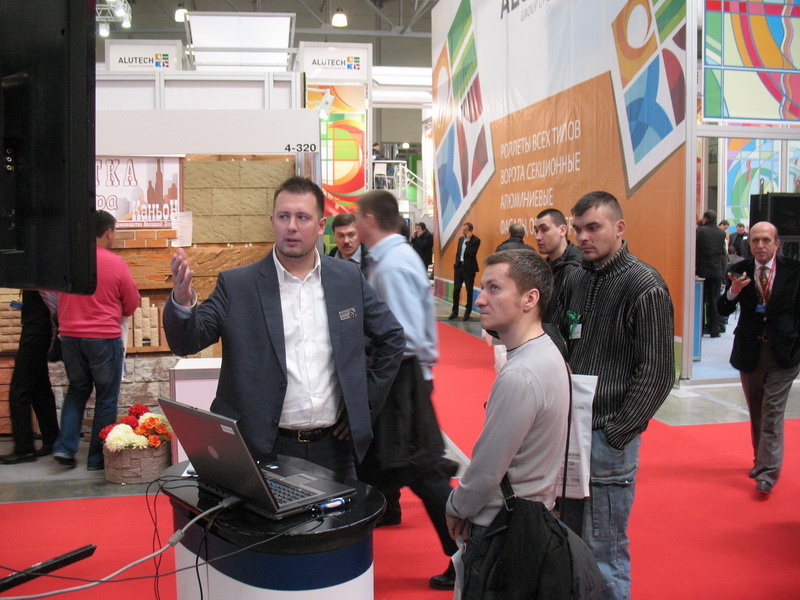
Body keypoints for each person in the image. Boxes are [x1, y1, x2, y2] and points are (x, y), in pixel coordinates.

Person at [163, 176, 405, 478]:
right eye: (283, 216)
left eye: (302, 217)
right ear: (272, 222)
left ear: (320, 226)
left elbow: (392, 336)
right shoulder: (238, 285)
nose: (292, 226)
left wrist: (364, 404)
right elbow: (187, 342)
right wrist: (182, 301)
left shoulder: (348, 279)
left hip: (335, 448)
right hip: (260, 447)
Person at [553, 191, 674, 600]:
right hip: (569, 434)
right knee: (568, 539)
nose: (583, 237)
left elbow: (657, 372)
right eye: (578, 229)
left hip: (606, 437)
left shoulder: (645, 286)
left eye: (593, 228)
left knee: (605, 550)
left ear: (619, 228)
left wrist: (617, 434)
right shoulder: (575, 278)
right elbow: (560, 334)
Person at [354, 189, 458, 590]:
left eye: (357, 218)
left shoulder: (392, 266)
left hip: (400, 381)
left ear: (370, 220)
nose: (353, 226)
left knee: (423, 471)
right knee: (386, 466)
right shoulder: (391, 259)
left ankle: (465, 554)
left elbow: (403, 338)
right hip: (400, 379)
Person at [446, 249, 570, 584]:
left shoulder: (521, 374)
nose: (480, 299)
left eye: (494, 288)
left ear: (530, 299)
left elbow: (487, 469)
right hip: (532, 519)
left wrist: (456, 506)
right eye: (482, 287)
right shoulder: (547, 353)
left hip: (501, 528)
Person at [53, 210, 141, 470]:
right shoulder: (116, 263)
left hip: (69, 337)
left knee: (76, 390)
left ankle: (65, 448)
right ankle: (97, 459)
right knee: (106, 397)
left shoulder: (68, 262)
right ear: (108, 232)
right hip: (103, 337)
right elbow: (132, 303)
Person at [718, 221, 800, 496]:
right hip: (751, 352)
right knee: (757, 411)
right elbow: (722, 309)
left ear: (777, 244)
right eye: (755, 240)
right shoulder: (738, 270)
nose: (760, 245)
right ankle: (760, 460)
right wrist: (733, 292)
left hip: (784, 352)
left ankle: (768, 473)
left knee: (772, 411)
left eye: (766, 240)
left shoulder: (794, 270)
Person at [0, 291, 59, 464]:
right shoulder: (40, 278)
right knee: (40, 388)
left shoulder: (35, 278)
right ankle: (52, 440)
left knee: (19, 391)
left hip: (35, 331)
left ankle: (24, 449)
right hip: (39, 329)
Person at [534, 208, 583, 322]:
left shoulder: (577, 268)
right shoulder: (542, 267)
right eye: (536, 231)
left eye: (544, 230)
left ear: (562, 230)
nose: (538, 237)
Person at [696, 210, 728, 338]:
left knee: (701, 300)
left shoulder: (700, 231)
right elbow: (723, 254)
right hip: (716, 271)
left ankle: (700, 329)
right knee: (714, 301)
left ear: (705, 219)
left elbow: (696, 250)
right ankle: (714, 330)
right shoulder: (721, 233)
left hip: (702, 271)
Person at [449, 222, 481, 321]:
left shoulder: (476, 240)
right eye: (463, 230)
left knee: (469, 290)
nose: (463, 232)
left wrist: (468, 241)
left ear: (470, 231)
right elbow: (458, 253)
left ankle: (468, 311)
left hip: (469, 268)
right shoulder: (460, 239)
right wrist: (456, 263)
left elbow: (471, 253)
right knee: (456, 289)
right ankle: (455, 311)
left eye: (465, 230)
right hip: (459, 267)